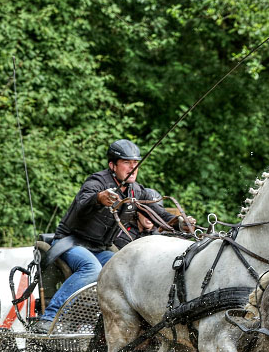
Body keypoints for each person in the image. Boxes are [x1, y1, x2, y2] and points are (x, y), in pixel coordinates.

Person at [30, 139, 194, 332]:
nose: (132, 168)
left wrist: (181, 223)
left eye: (135, 164)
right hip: (72, 243)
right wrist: (99, 198)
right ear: (112, 165)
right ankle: (49, 317)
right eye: (126, 163)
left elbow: (157, 213)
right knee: (91, 269)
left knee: (128, 269)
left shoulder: (136, 190)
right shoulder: (97, 182)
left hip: (101, 248)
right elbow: (82, 203)